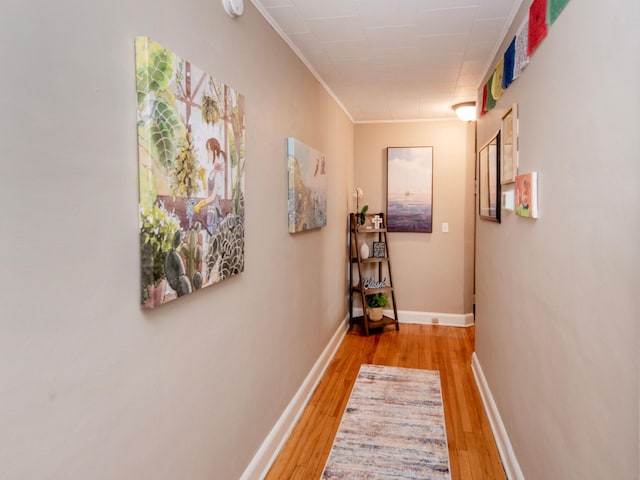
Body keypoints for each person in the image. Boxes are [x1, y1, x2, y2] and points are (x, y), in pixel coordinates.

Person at [194, 137, 225, 234]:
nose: (208, 154)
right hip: (210, 212)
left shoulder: (219, 174)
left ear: (215, 152)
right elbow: (207, 195)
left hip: (215, 212)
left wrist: (200, 204)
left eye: (209, 151)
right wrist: (203, 178)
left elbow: (212, 197)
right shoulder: (212, 172)